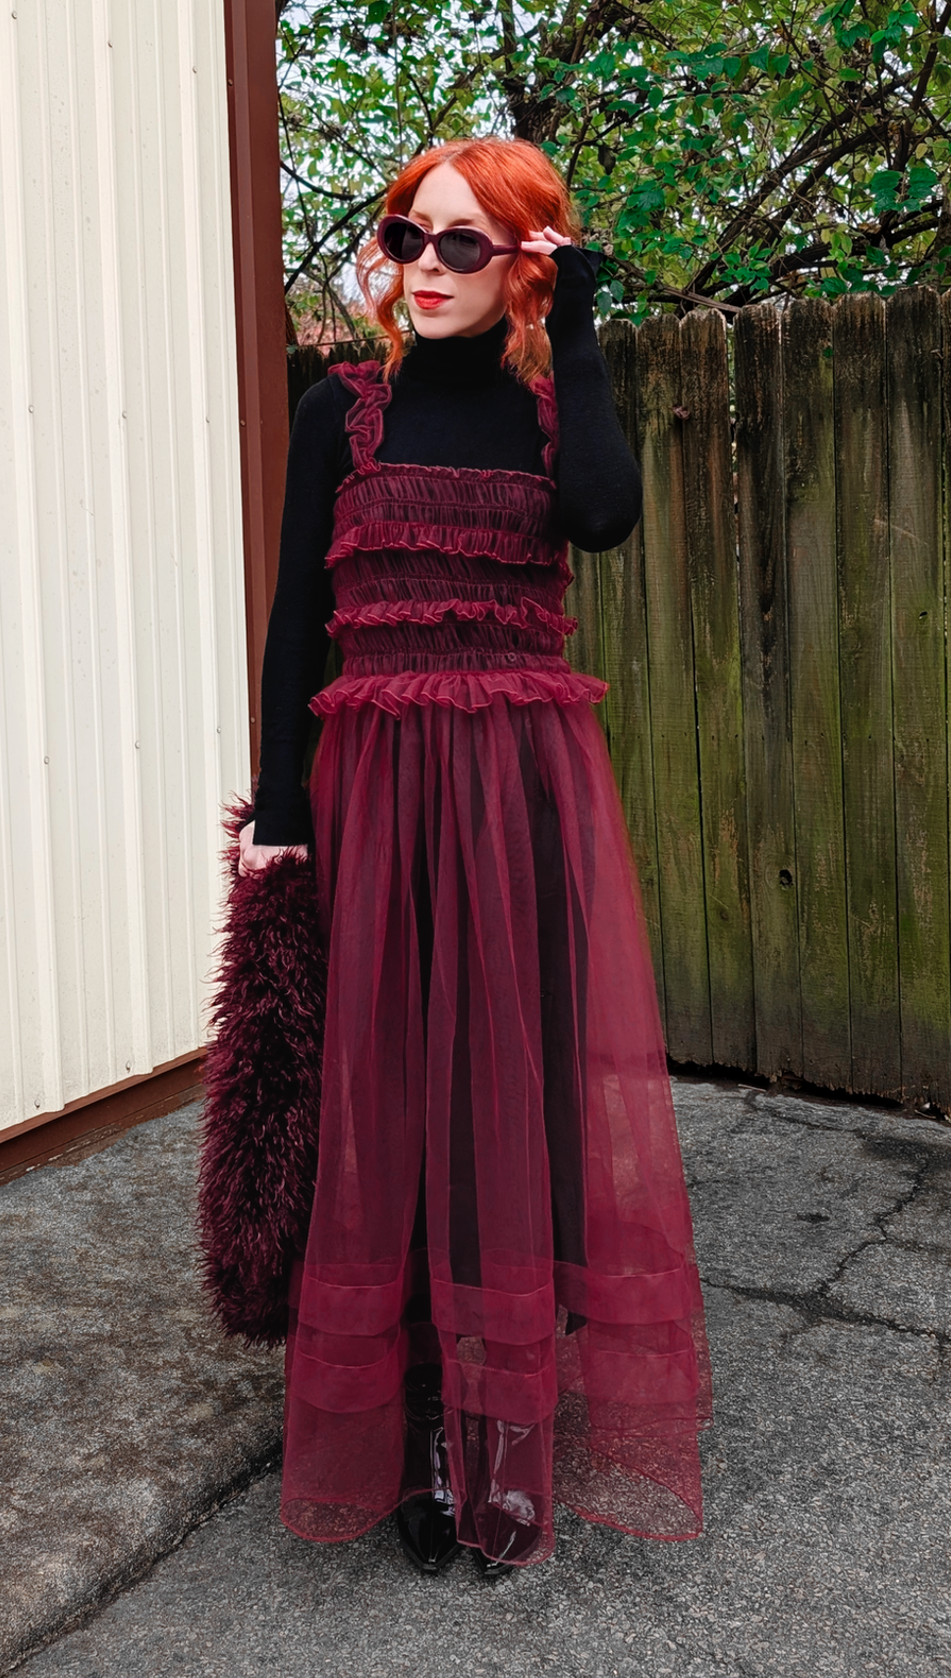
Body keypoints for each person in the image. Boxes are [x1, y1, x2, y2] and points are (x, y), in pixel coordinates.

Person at [239, 136, 712, 1579]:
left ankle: (490, 1435)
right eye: (410, 234)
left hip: (519, 802)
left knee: (509, 1099)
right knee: (384, 1092)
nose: (426, 267)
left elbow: (606, 519)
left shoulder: (547, 416)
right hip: (376, 797)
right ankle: (415, 1417)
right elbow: (293, 629)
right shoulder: (342, 412)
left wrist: (577, 335)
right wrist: (279, 811)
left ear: (520, 261)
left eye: (466, 244)